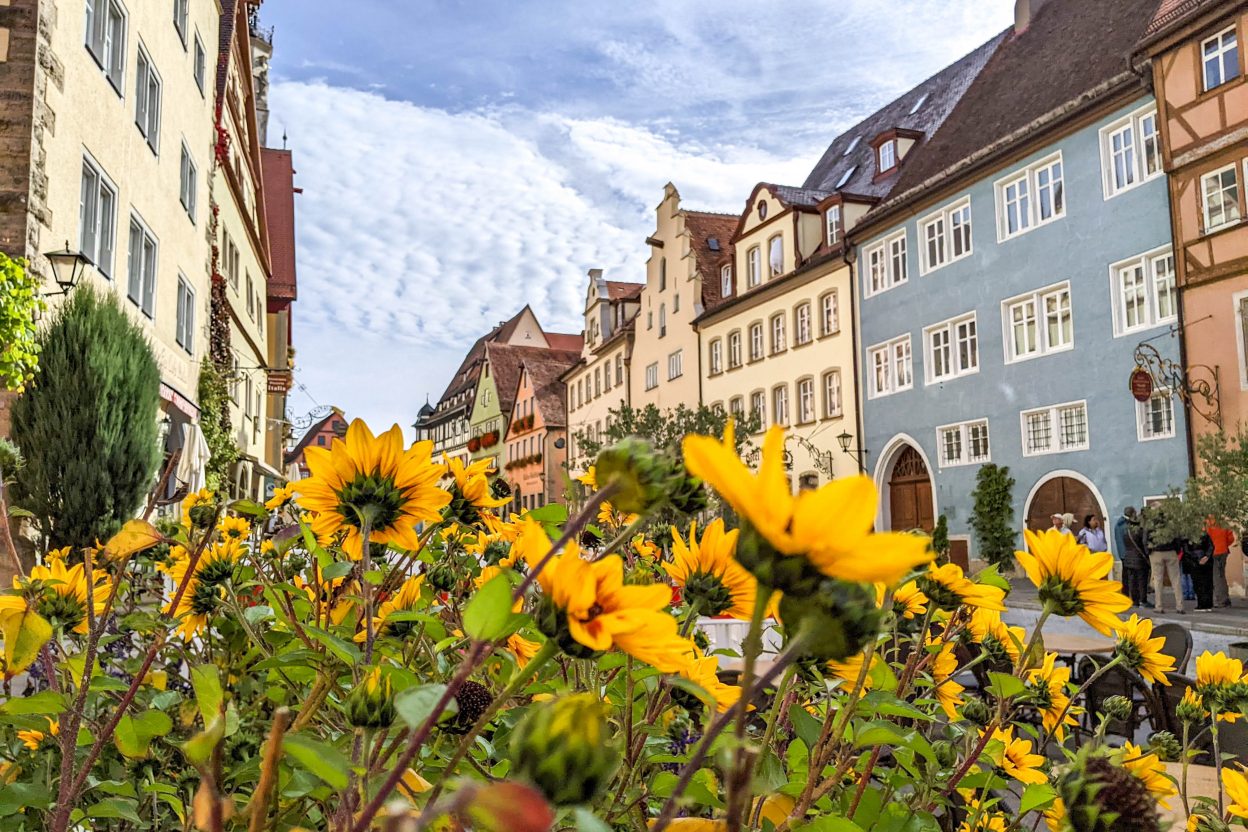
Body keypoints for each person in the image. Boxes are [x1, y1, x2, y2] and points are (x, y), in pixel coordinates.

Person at [1145, 506, 1185, 614]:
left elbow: (1145, 538)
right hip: (1171, 552)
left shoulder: (1150, 524)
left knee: (1158, 580)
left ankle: (1159, 606)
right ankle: (1180, 606)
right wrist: (1176, 550)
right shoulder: (1170, 523)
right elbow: (1178, 538)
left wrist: (1148, 552)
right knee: (1176, 579)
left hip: (1156, 552)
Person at [1119, 508, 1149, 607]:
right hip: (1139, 558)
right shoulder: (1139, 531)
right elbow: (1143, 544)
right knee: (1141, 580)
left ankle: (1134, 601)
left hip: (1128, 558)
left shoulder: (1125, 531)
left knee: (1132, 580)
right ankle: (1142, 600)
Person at [1206, 516, 1236, 608]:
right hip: (1223, 551)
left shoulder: (1207, 524)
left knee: (1216, 577)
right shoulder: (1224, 524)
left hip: (1213, 552)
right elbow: (1231, 538)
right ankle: (1226, 599)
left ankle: (1221, 600)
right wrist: (1223, 544)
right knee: (1221, 575)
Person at [1183, 532, 1215, 612]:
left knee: (1198, 583)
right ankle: (1208, 604)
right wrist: (1207, 556)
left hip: (1195, 562)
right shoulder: (1205, 535)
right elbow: (1211, 547)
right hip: (1206, 561)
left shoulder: (1188, 536)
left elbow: (1186, 550)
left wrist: (1197, 559)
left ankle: (1202, 604)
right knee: (1207, 582)